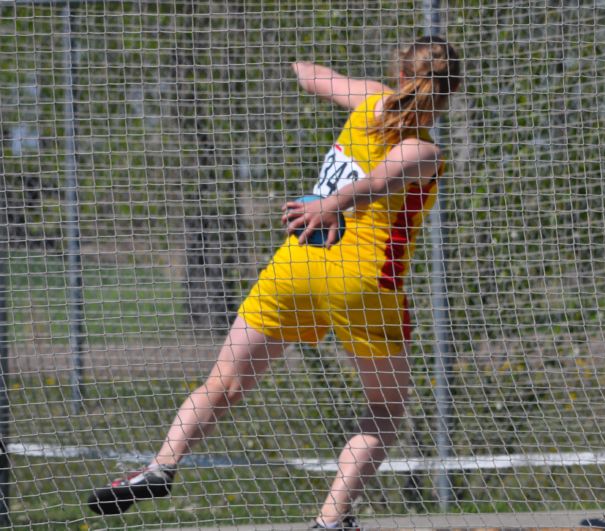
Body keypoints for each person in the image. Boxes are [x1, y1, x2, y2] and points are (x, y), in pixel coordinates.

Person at [87, 35, 462, 530]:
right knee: (387, 408)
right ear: (450, 93)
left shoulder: (370, 100)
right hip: (362, 284)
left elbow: (312, 76)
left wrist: (289, 55)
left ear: (399, 75)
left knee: (223, 383)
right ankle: (330, 520)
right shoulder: (425, 151)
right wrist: (332, 204)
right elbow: (376, 183)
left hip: (297, 265)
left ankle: (161, 465)